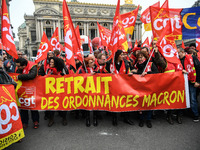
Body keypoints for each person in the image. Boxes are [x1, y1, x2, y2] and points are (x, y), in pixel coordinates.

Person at [104, 50, 134, 126]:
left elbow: (128, 71)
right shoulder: (109, 63)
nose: (123, 56)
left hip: (124, 85)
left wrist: (130, 74)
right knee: (115, 101)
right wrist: (109, 74)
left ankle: (126, 117)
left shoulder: (126, 63)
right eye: (121, 55)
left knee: (125, 101)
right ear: (117, 56)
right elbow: (104, 73)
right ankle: (114, 118)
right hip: (113, 86)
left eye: (123, 55)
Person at [132, 51, 158, 128]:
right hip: (140, 87)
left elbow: (156, 73)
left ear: (145, 57)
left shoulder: (150, 64)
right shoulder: (136, 65)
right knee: (141, 103)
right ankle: (141, 119)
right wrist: (132, 73)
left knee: (149, 103)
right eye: (138, 57)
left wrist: (148, 73)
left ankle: (148, 120)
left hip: (150, 87)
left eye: (141, 57)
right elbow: (135, 73)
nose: (140, 59)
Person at [15, 58, 40, 129]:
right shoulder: (19, 68)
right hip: (22, 90)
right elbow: (16, 74)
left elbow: (32, 76)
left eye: (19, 66)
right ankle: (24, 122)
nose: (18, 67)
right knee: (23, 107)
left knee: (33, 107)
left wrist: (20, 77)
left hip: (32, 90)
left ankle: (36, 121)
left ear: (24, 65)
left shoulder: (33, 66)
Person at [178, 48, 200, 122]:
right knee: (183, 98)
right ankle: (184, 113)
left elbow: (198, 68)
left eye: (178, 53)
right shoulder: (178, 60)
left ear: (182, 52)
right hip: (183, 82)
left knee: (192, 99)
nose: (178, 55)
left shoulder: (191, 57)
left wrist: (198, 81)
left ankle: (195, 115)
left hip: (192, 82)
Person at [46, 56, 68, 127]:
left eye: (52, 62)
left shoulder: (62, 70)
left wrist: (63, 76)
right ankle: (51, 119)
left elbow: (68, 78)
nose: (50, 63)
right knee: (51, 105)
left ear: (56, 63)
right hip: (51, 91)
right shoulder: (48, 70)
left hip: (61, 90)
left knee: (62, 104)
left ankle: (64, 118)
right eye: (50, 62)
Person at [78, 56, 99, 127]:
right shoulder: (82, 70)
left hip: (95, 89)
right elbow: (78, 79)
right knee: (87, 104)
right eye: (91, 62)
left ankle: (95, 118)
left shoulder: (96, 68)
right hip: (86, 89)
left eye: (93, 62)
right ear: (87, 64)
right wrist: (89, 75)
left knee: (95, 104)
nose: (93, 63)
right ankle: (88, 119)